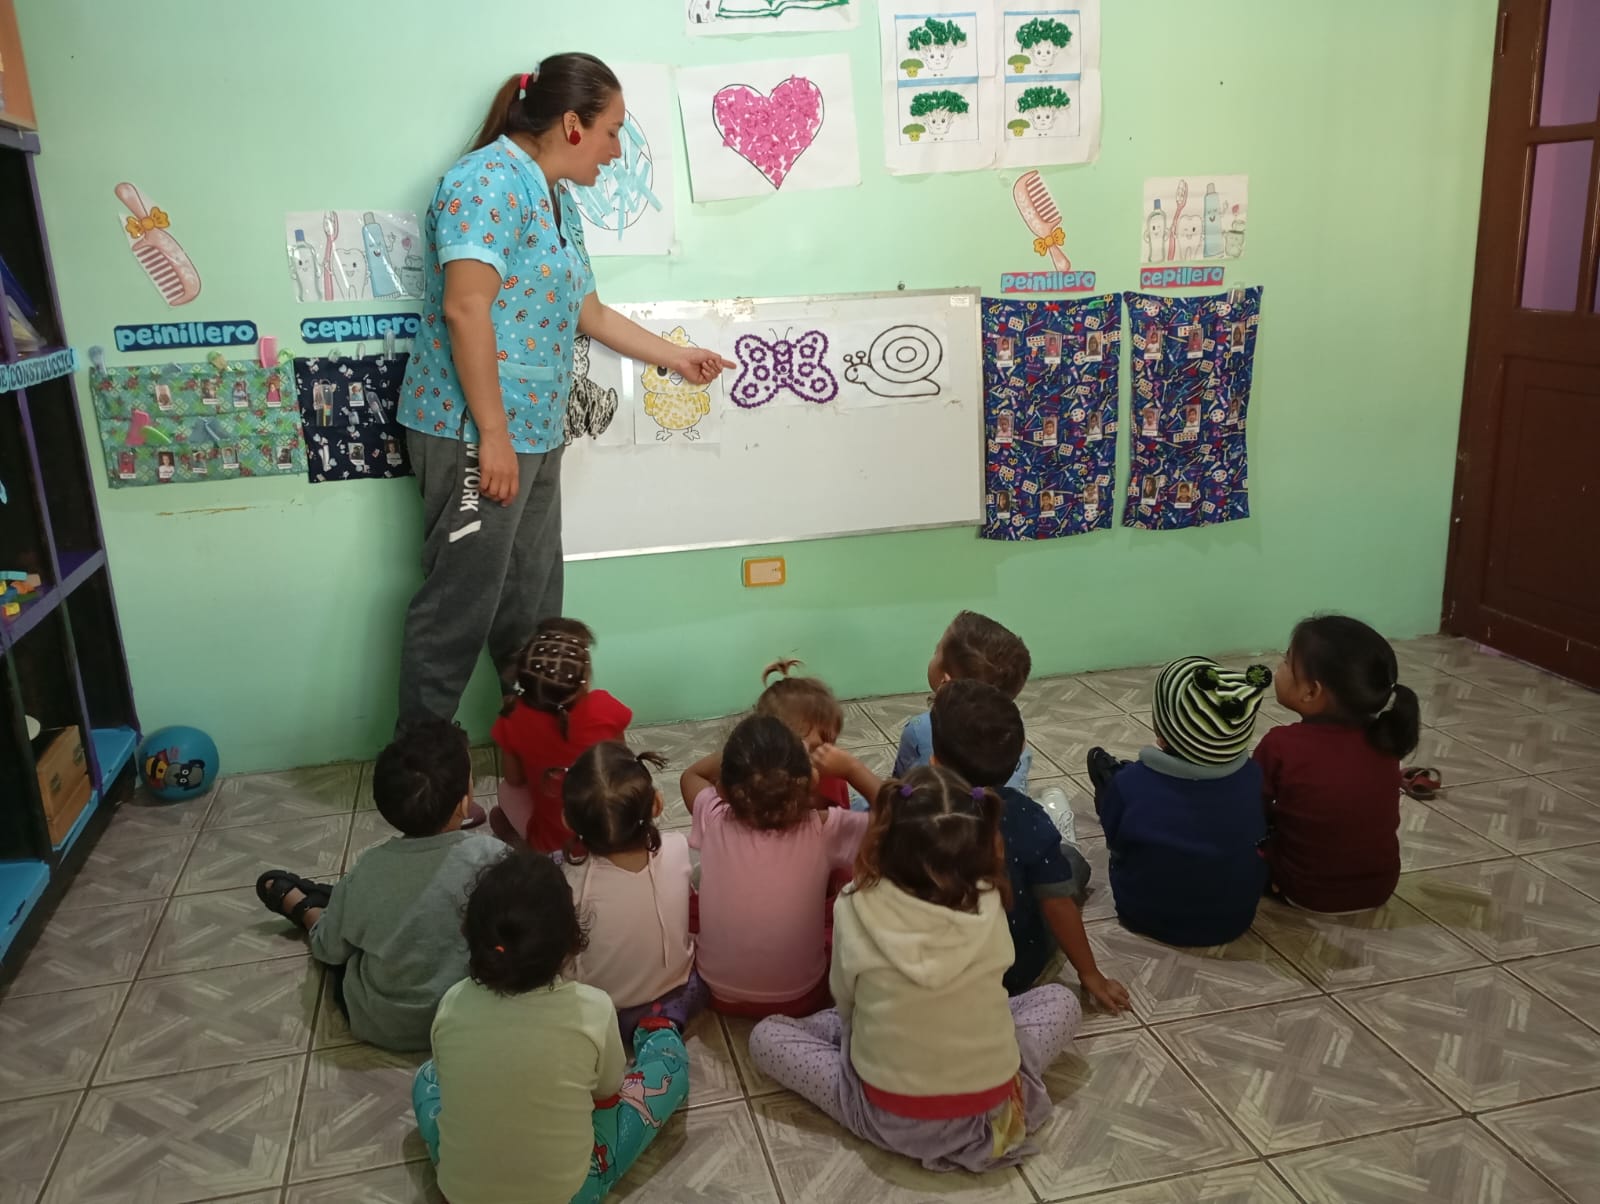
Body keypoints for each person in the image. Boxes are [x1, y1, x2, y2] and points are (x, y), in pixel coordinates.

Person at [395, 54, 735, 731]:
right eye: (612, 131)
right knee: (461, 602)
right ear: (573, 125)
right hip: (473, 432)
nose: (616, 152)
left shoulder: (556, 198)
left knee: (531, 604)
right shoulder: (485, 182)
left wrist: (676, 357)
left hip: (536, 429)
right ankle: (422, 763)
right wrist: (492, 436)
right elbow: (466, 307)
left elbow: (590, 312)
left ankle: (539, 750)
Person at [748, 765, 1081, 1172]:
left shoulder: (854, 902)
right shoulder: (989, 898)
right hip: (996, 1113)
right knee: (1062, 999)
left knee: (767, 1036)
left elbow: (846, 1001)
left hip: (888, 1118)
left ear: (886, 839)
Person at [413, 849, 689, 1204]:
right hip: (570, 1194)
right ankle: (658, 1032)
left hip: (461, 1195)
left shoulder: (452, 1003)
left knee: (426, 1077)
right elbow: (607, 1092)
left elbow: (442, 1071)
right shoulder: (593, 1008)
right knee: (669, 1072)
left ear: (472, 936)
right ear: (572, 942)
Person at [255, 718, 504, 1051]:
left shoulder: (370, 868)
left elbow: (331, 950)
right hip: (469, 1020)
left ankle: (307, 909)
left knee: (340, 934)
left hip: (384, 1023)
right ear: (464, 804)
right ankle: (324, 903)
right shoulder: (495, 857)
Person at [932, 680, 1131, 1012]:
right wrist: (1090, 974)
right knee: (1069, 863)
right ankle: (1062, 830)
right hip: (1013, 969)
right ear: (1019, 756)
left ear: (934, 760)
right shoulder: (1025, 816)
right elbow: (1057, 904)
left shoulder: (911, 813)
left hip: (933, 971)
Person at [681, 715, 868, 1017]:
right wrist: (852, 769)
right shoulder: (824, 829)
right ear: (811, 782)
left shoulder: (713, 816)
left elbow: (691, 775)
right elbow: (900, 819)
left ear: (723, 788)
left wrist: (741, 755)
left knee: (692, 897)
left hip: (715, 991)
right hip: (801, 998)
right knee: (845, 903)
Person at [1087, 658, 1272, 946]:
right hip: (1235, 919)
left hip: (1144, 914)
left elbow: (1116, 841)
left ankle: (1109, 781)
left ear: (1162, 735)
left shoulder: (1133, 783)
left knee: (1120, 804)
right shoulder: (1253, 775)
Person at [1256, 615, 1420, 912]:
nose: (1278, 667)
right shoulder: (1385, 741)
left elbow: (1250, 810)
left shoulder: (1280, 744)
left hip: (1306, 891)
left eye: (1286, 661)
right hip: (1379, 888)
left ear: (1311, 692)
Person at [560, 741, 706, 1041]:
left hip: (602, 1007)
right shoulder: (678, 848)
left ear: (567, 821)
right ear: (658, 804)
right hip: (676, 989)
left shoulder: (566, 880)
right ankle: (659, 1026)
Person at [488, 618, 631, 852]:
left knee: (506, 790)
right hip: (613, 835)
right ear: (584, 679)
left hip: (551, 844)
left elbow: (514, 779)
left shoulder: (513, 717)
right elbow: (622, 761)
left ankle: (520, 839)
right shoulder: (605, 707)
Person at [888, 611, 1034, 793]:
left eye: (936, 651)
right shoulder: (1014, 733)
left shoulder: (920, 729)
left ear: (945, 683)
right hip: (1006, 808)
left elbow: (900, 789)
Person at [754, 659, 855, 809]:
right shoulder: (756, 775)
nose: (827, 754)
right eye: (812, 749)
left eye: (830, 744)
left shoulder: (829, 774)